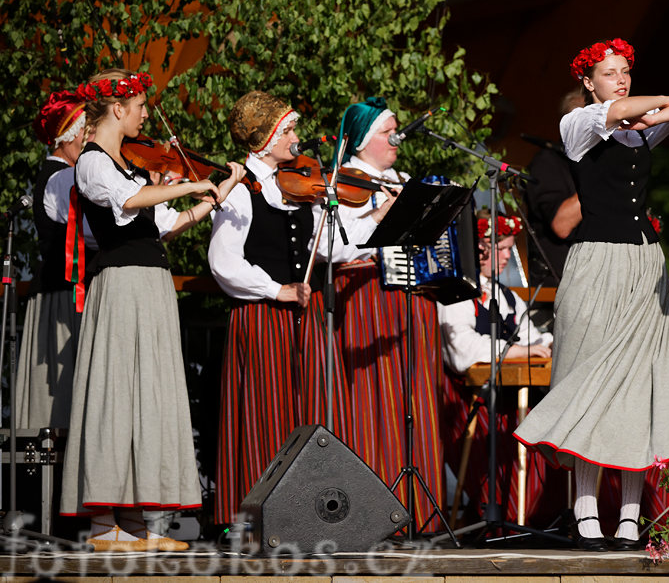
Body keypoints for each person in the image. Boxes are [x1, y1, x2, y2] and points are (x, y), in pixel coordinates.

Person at [514, 38, 669, 551]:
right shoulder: (579, 125)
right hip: (596, 263)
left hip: (643, 264)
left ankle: (629, 518)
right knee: (589, 378)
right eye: (610, 73)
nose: (622, 79)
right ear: (588, 83)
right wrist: (650, 109)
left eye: (626, 70)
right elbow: (619, 109)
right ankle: (585, 513)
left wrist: (655, 119)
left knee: (642, 384)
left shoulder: (639, 134)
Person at [60, 68, 243, 551]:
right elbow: (130, 200)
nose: (146, 113)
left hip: (149, 284)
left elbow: (162, 224)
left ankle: (139, 526)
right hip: (121, 285)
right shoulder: (94, 164)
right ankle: (104, 528)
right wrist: (187, 185)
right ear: (117, 109)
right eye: (140, 105)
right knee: (117, 392)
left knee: (150, 393)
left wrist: (212, 196)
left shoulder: (130, 165)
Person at [210, 90, 338, 525]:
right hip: (263, 317)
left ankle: (304, 514)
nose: (296, 137)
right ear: (266, 137)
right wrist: (274, 289)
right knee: (265, 413)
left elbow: (332, 246)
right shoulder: (241, 189)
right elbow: (223, 261)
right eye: (289, 130)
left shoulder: (296, 185)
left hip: (303, 320)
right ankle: (259, 517)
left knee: (306, 414)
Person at [330, 97, 447, 531]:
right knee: (372, 402)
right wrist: (383, 211)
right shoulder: (345, 182)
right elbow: (336, 245)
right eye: (386, 131)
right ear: (362, 141)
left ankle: (417, 511)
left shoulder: (402, 180)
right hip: (368, 299)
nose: (395, 137)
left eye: (397, 129)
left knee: (413, 400)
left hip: (412, 298)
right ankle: (374, 513)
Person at [438, 212, 551, 523]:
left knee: (550, 423)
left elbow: (535, 339)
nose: (506, 257)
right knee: (517, 432)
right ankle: (508, 515)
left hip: (510, 395)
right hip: (470, 402)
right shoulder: (456, 293)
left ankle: (543, 514)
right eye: (499, 249)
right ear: (479, 248)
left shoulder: (509, 297)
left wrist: (550, 344)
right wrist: (515, 351)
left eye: (509, 249)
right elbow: (462, 353)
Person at [15, 91, 95, 429]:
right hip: (62, 296)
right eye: (86, 132)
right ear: (71, 136)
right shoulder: (60, 177)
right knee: (60, 400)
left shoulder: (61, 173)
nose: (90, 139)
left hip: (64, 292)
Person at [524, 89, 585, 287]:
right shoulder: (548, 162)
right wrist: (604, 178)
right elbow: (562, 225)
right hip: (559, 288)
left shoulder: (594, 163)